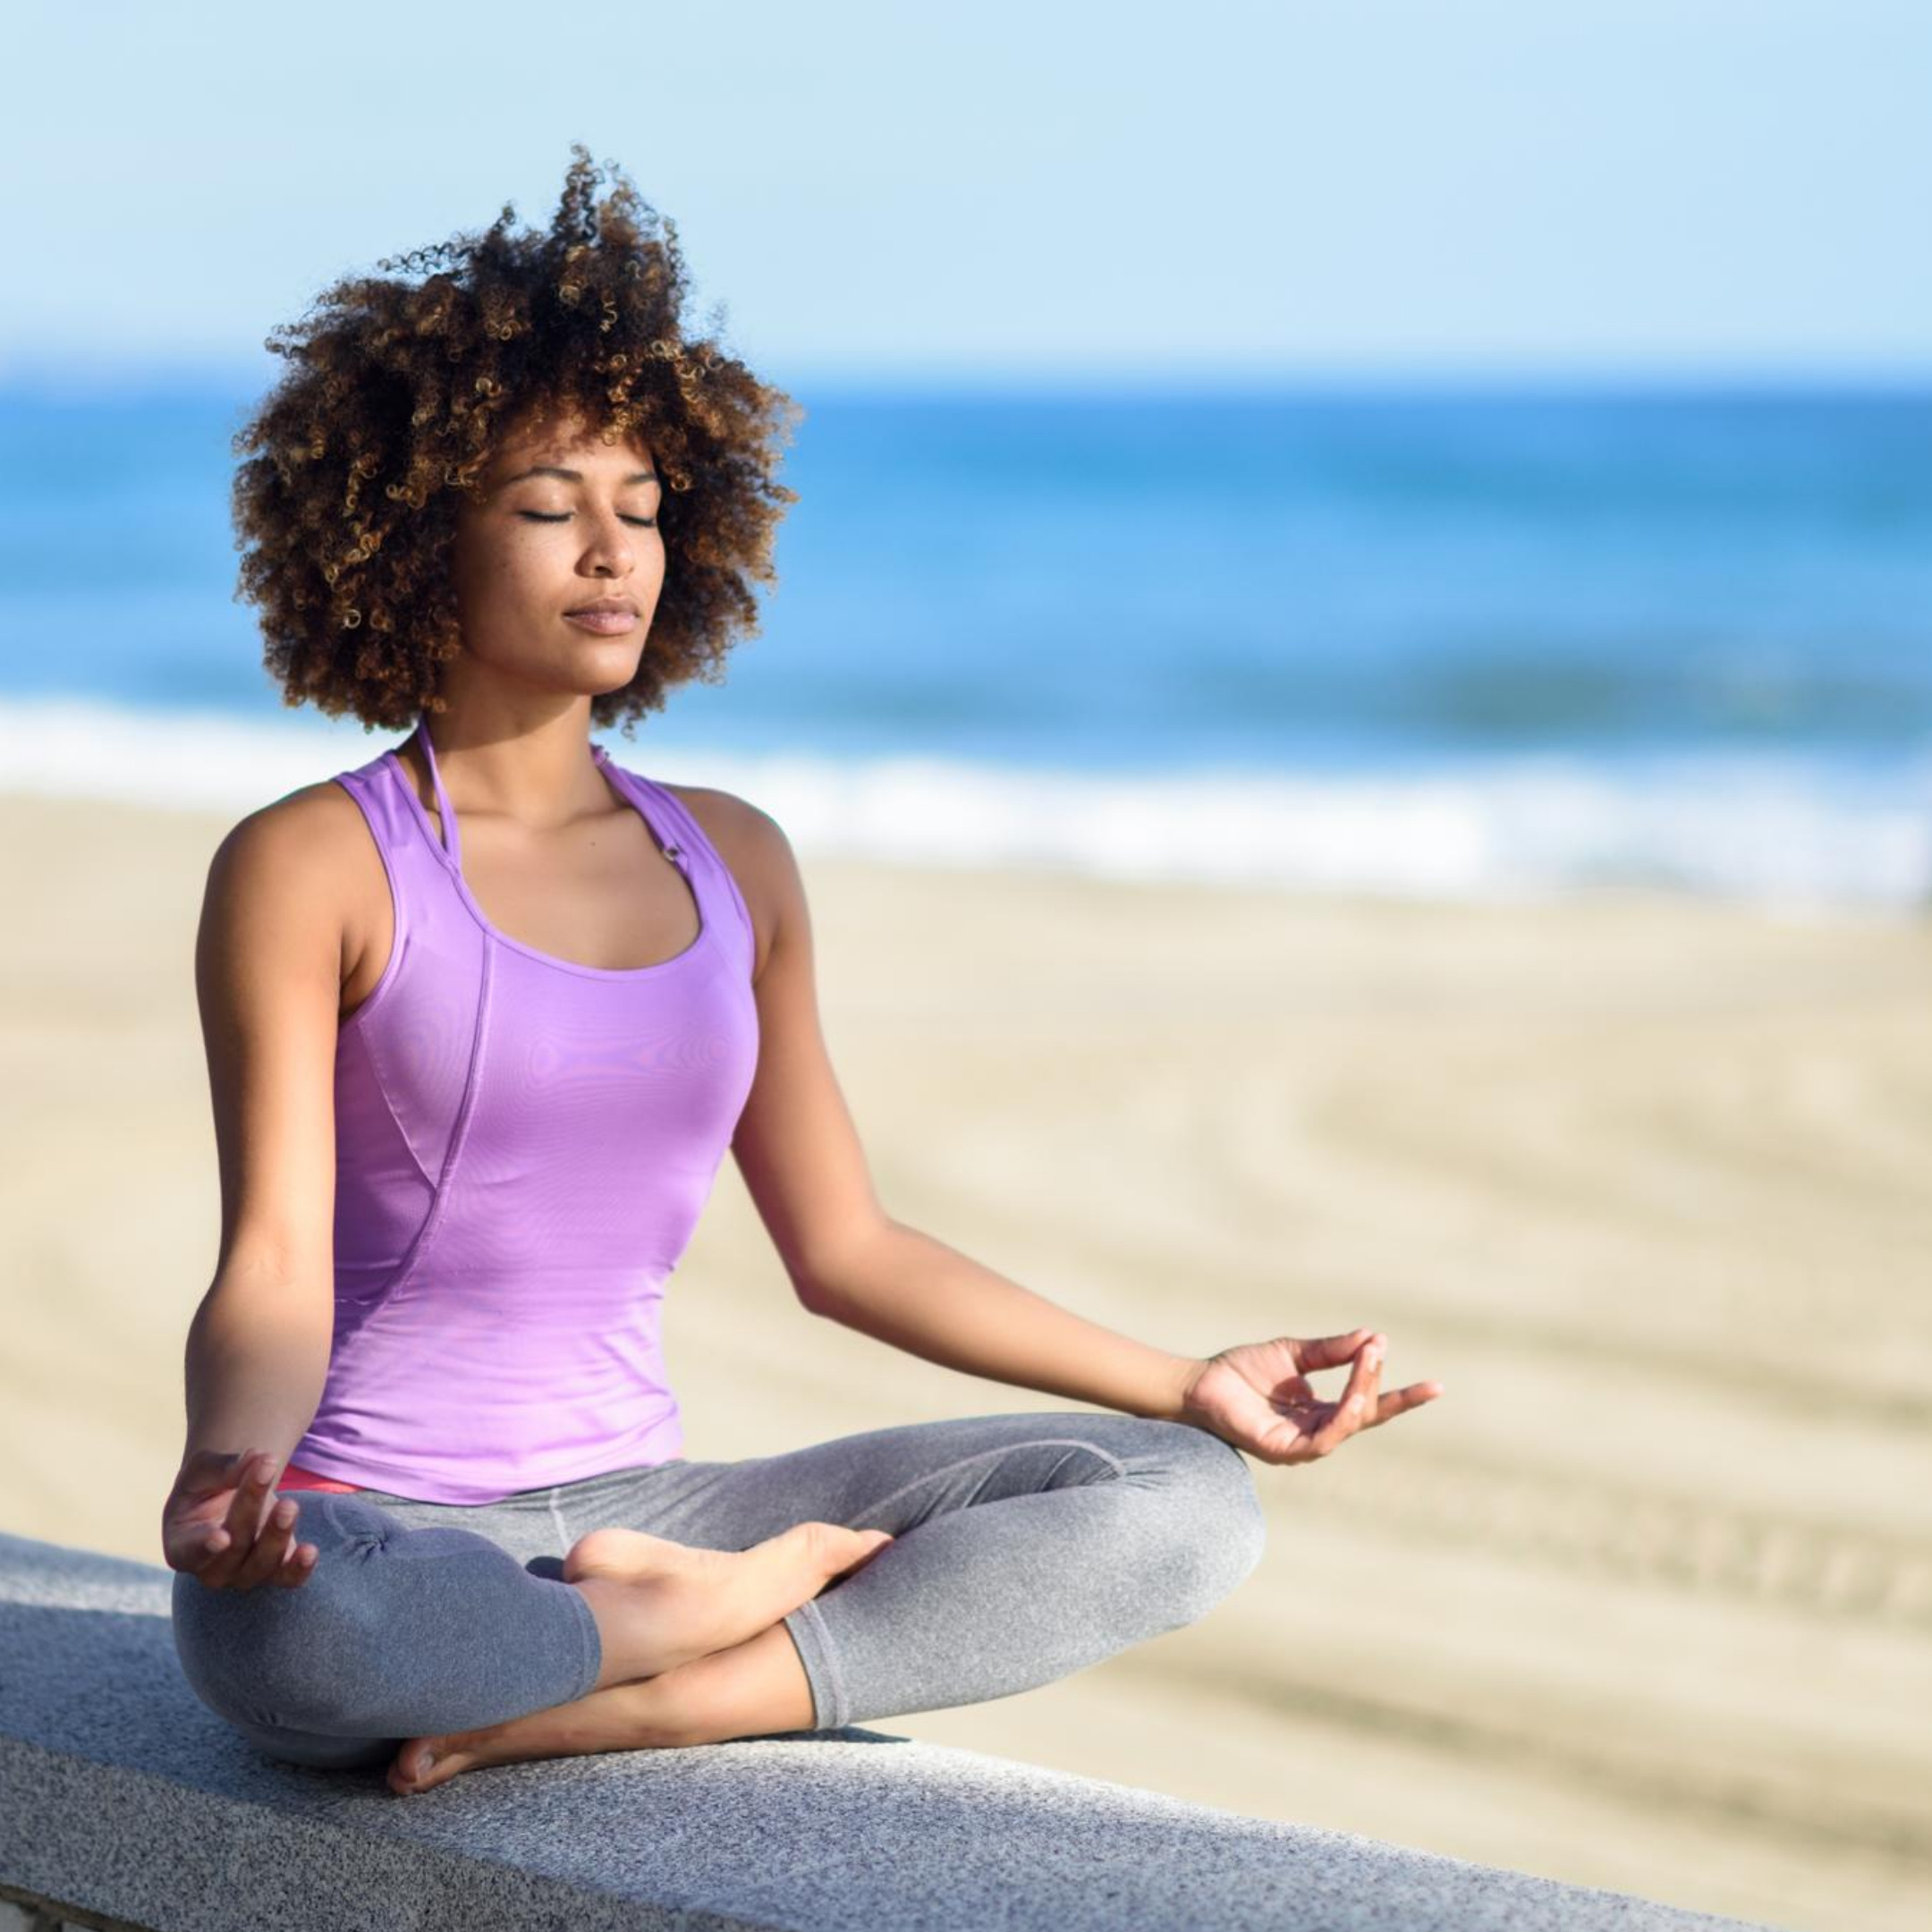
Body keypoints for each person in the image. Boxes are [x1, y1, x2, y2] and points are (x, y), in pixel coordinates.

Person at [164, 147, 1445, 1800]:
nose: (613, 553)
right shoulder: (314, 862)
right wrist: (229, 1477)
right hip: (391, 1531)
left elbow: (846, 1249)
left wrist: (1189, 1382)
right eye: (551, 511)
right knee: (288, 1654)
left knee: (1184, 1502)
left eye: (641, 511)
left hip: (652, 1505)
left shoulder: (735, 860)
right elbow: (273, 1257)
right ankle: (686, 1630)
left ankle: (648, 1683)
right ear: (415, 543)